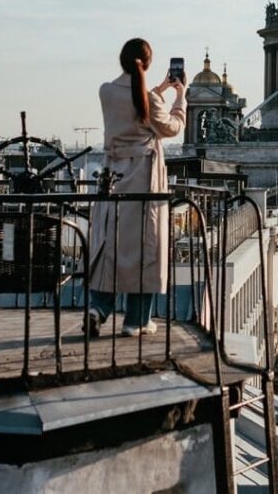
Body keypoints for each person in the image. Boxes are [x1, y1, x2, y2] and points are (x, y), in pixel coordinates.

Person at [86, 38, 186, 337]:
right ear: (148, 63)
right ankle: (136, 320)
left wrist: (160, 89)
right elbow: (172, 126)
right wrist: (180, 96)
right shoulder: (149, 100)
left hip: (113, 176)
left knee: (111, 244)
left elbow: (133, 104)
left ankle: (98, 309)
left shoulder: (106, 91)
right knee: (146, 248)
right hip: (143, 178)